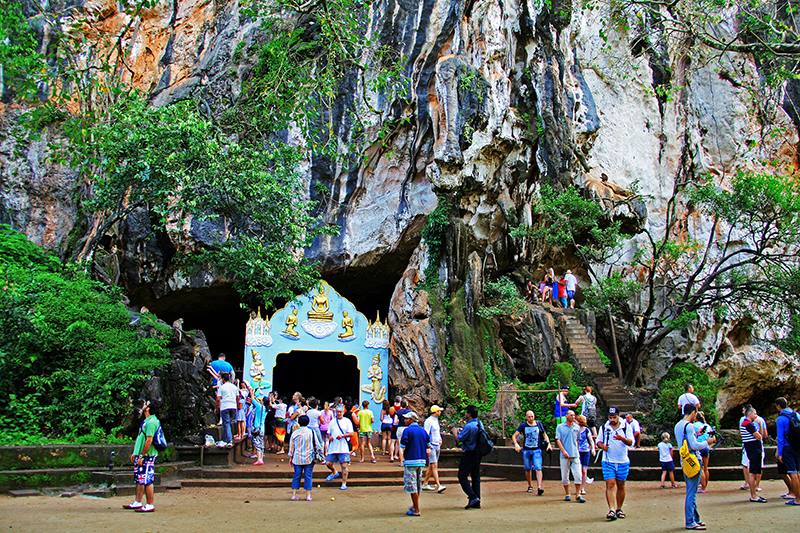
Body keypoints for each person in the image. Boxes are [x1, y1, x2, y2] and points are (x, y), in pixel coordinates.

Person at [675, 403, 715, 530]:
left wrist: (696, 435)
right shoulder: (689, 426)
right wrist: (707, 442)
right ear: (693, 412)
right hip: (693, 460)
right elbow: (694, 446)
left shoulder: (678, 425)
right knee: (691, 493)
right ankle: (690, 521)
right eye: (696, 412)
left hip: (684, 460)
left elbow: (685, 442)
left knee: (690, 490)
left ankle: (695, 518)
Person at [123, 399, 160, 513]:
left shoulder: (151, 422)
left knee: (147, 479)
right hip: (141, 455)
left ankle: (150, 504)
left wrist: (142, 456)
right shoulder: (146, 421)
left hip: (147, 455)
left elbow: (149, 440)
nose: (143, 405)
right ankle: (138, 502)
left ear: (148, 408)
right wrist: (136, 453)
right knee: (140, 478)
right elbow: (141, 438)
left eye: (146, 404)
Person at [597, 406, 634, 520]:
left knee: (621, 485)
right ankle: (611, 509)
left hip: (622, 460)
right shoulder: (604, 427)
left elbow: (631, 442)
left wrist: (622, 438)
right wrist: (602, 446)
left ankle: (619, 508)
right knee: (610, 484)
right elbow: (598, 441)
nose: (612, 419)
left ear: (618, 416)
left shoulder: (626, 426)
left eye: (614, 417)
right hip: (608, 460)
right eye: (610, 417)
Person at [451, 405, 483, 509]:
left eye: (466, 412)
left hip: (469, 453)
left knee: (462, 475)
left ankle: (473, 497)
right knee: (475, 476)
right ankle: (477, 501)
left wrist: (454, 432)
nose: (465, 414)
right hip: (478, 453)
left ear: (469, 414)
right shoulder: (479, 424)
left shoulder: (469, 426)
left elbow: (459, 438)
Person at [512, 410, 550, 495]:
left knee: (538, 467)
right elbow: (514, 436)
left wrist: (549, 444)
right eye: (529, 417)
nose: (531, 418)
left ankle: (539, 487)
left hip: (537, 449)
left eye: (532, 416)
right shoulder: (523, 425)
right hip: (526, 450)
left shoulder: (538, 424)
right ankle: (530, 485)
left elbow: (544, 434)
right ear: (526, 417)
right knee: (527, 468)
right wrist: (516, 444)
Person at [400, 411, 431, 516]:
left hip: (410, 460)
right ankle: (415, 505)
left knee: (412, 485)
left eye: (406, 419)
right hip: (421, 460)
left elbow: (403, 446)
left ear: (411, 420)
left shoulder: (407, 431)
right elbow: (428, 445)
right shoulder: (423, 431)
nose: (405, 420)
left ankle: (416, 509)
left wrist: (402, 459)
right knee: (417, 484)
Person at [288, 415, 322, 501]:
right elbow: (318, 445)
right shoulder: (311, 432)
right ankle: (308, 495)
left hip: (297, 458)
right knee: (308, 476)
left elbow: (291, 447)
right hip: (309, 457)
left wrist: (290, 457)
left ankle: (294, 494)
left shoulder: (295, 433)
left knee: (296, 475)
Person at [775, 396, 800, 506]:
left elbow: (780, 438)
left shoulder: (781, 419)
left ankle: (797, 499)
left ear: (778, 406)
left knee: (792, 473)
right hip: (798, 446)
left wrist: (780, 453)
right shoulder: (796, 415)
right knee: (798, 472)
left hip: (787, 447)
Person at [555, 410, 584, 503]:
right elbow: (558, 440)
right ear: (566, 416)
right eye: (571, 415)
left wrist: (576, 450)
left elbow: (578, 440)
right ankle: (567, 493)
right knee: (564, 476)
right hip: (564, 455)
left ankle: (578, 494)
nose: (573, 417)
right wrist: (563, 451)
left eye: (574, 415)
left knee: (578, 475)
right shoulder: (560, 427)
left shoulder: (577, 427)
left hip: (575, 455)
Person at [740, 407, 766, 503]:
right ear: (750, 414)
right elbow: (759, 436)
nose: (756, 415)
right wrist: (759, 426)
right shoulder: (748, 424)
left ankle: (754, 494)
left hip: (751, 449)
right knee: (753, 473)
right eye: (754, 413)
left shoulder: (745, 423)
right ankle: (753, 496)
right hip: (754, 450)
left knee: (754, 472)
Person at [325, 407, 353, 490]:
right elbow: (328, 433)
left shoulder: (347, 421)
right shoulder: (332, 422)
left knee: (344, 465)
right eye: (337, 412)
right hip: (333, 446)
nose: (339, 413)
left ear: (343, 412)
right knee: (328, 463)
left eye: (340, 412)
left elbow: (351, 433)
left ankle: (344, 483)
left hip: (343, 447)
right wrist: (330, 437)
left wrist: (343, 435)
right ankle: (334, 472)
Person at [422, 405, 447, 493]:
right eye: (439, 411)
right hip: (431, 445)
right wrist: (427, 446)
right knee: (434, 465)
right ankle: (438, 485)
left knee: (431, 465)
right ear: (435, 412)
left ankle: (425, 483)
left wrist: (440, 439)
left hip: (437, 444)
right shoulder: (428, 421)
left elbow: (437, 432)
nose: (440, 412)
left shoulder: (436, 420)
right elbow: (426, 434)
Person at [215, 372, 239, 448]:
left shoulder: (222, 387)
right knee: (228, 424)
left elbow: (218, 399)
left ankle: (229, 441)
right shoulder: (234, 387)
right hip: (233, 406)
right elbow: (237, 398)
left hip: (225, 406)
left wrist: (217, 407)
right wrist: (237, 406)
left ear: (223, 379)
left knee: (226, 424)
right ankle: (224, 440)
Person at [576, 415, 595, 493]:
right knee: (578, 470)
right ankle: (578, 487)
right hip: (578, 452)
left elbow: (591, 441)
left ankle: (582, 488)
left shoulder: (587, 430)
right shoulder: (575, 430)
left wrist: (593, 449)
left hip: (586, 451)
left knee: (584, 470)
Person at [693, 411, 711, 493]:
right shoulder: (707, 426)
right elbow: (712, 436)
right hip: (706, 447)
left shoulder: (694, 426)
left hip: (699, 447)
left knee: (700, 468)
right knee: (706, 468)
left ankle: (702, 486)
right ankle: (705, 486)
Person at [250, 390, 267, 465]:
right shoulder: (265, 409)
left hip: (257, 427)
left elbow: (252, 400)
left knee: (257, 444)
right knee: (261, 444)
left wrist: (252, 392)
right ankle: (261, 458)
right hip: (262, 428)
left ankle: (259, 459)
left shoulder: (259, 407)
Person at [390, 397, 402, 462]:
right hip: (399, 425)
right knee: (398, 442)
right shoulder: (401, 408)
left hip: (393, 425)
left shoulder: (392, 408)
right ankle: (396, 455)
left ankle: (391, 456)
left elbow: (391, 415)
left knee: (392, 441)